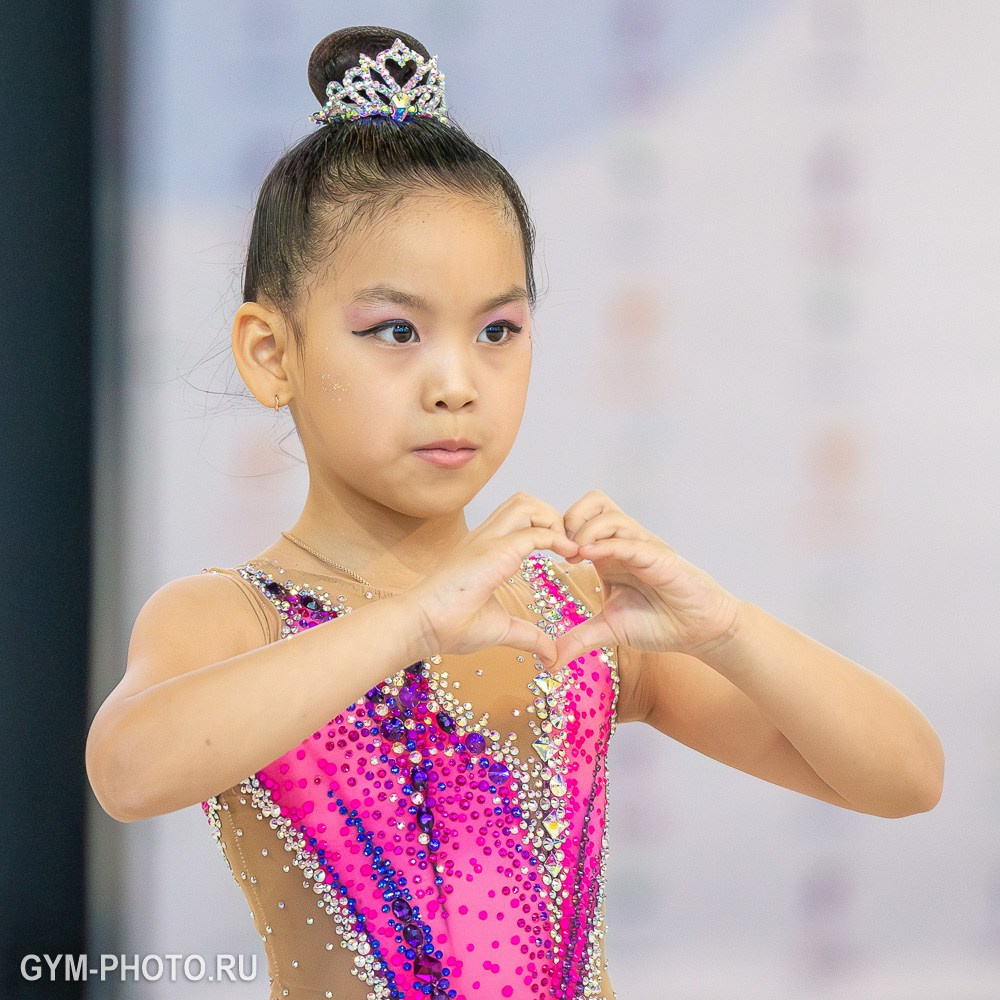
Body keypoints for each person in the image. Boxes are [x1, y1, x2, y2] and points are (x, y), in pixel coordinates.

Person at [86, 24, 944, 1000]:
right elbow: (128, 770)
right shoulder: (232, 618)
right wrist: (410, 619)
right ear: (270, 352)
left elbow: (905, 776)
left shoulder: (576, 614)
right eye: (395, 331)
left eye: (497, 329)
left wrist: (728, 630)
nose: (456, 382)